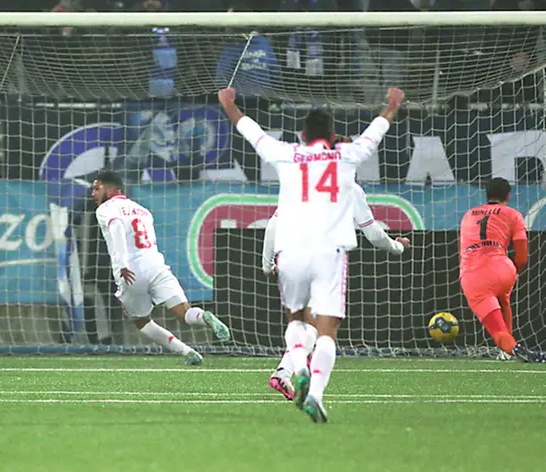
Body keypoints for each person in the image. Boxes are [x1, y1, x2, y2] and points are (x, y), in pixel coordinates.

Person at [219, 86, 404, 422]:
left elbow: (252, 132)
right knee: (327, 331)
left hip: (290, 250)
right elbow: (375, 132)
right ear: (333, 136)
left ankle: (297, 364)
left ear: (302, 135)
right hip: (329, 252)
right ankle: (316, 394)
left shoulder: (287, 153)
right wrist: (391, 106)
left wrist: (230, 106)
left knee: (295, 319)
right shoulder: (346, 156)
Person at [263, 175, 411, 400]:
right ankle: (292, 374)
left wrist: (268, 263)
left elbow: (273, 224)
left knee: (305, 322)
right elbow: (373, 234)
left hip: (290, 259)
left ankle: (287, 370)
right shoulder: (349, 187)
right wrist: (398, 247)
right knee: (322, 325)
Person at [93, 171, 230, 364]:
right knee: (185, 313)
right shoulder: (143, 211)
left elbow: (116, 226)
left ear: (111, 189)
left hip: (131, 273)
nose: (93, 194)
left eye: (97, 188)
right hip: (157, 266)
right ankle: (204, 317)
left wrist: (123, 264)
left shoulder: (106, 208)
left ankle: (188, 352)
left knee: (142, 322)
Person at [459, 177, 542, 363]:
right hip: (502, 268)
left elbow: (464, 250)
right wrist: (514, 270)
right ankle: (506, 351)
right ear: (508, 196)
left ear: (486, 194)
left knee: (496, 329)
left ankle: (512, 348)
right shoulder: (513, 214)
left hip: (473, 275)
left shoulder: (468, 215)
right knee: (503, 300)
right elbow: (522, 256)